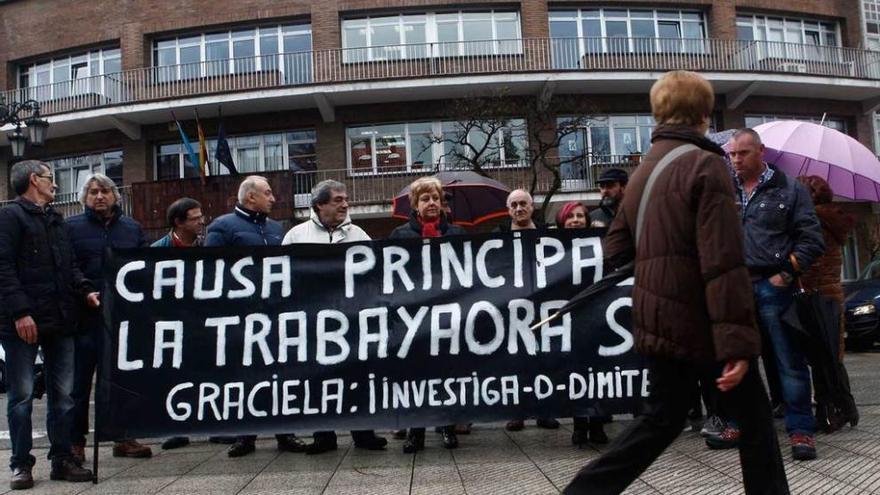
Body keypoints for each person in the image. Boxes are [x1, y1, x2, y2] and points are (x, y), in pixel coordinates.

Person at [563, 71, 789, 495]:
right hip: (701, 319)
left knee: (661, 419)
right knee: (755, 419)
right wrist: (739, 344)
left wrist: (660, 263)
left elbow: (616, 251)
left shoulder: (645, 172)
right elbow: (722, 262)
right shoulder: (706, 165)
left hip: (656, 317)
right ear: (704, 113)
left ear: (660, 111)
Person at [718, 128, 825, 460]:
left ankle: (801, 432)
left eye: (743, 153)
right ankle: (737, 423)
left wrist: (785, 274)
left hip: (773, 286)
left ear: (761, 151)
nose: (736, 160)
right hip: (735, 287)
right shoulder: (723, 190)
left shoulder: (789, 189)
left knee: (787, 361)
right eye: (732, 154)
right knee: (736, 358)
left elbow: (812, 241)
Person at [0, 160, 98, 489]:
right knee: (22, 396)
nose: (54, 185)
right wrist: (20, 313)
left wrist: (85, 291)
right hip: (22, 324)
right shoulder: (9, 217)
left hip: (61, 320)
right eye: (49, 178)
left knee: (64, 396)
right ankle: (21, 464)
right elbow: (3, 270)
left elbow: (69, 267)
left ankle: (62, 460)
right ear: (33, 181)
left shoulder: (56, 220)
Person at [282, 180, 387, 454]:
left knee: (356, 376)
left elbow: (374, 275)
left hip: (352, 322)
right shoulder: (296, 236)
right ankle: (323, 437)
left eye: (345, 199)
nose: (345, 204)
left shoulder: (359, 234)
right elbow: (283, 278)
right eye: (338, 200)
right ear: (320, 205)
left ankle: (364, 435)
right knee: (319, 379)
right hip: (313, 323)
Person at [204, 175, 306, 458]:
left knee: (280, 375)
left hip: (274, 314)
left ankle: (285, 434)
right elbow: (211, 270)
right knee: (244, 376)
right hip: (240, 316)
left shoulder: (276, 228)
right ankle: (244, 437)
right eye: (268, 193)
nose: (273, 198)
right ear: (251, 197)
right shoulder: (222, 227)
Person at [65, 174, 152, 463]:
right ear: (84, 198)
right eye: (92, 192)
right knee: (79, 386)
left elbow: (146, 266)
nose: (99, 196)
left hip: (121, 320)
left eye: (104, 191)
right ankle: (75, 442)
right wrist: (86, 291)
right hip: (84, 319)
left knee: (120, 381)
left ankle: (123, 437)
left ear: (114, 195)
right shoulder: (70, 228)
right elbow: (67, 267)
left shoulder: (132, 228)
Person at [389, 177, 466, 453]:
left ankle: (446, 425)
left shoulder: (457, 233)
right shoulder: (400, 236)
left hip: (448, 317)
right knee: (416, 375)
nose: (431, 203)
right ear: (415, 205)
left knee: (445, 373)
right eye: (425, 199)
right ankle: (415, 431)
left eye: (435, 198)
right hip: (415, 319)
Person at [796, 175, 859, 432]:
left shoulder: (814, 222)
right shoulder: (834, 220)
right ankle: (844, 408)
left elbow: (809, 263)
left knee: (822, 357)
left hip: (816, 295)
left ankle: (831, 411)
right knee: (832, 356)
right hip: (832, 294)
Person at [500, 189, 561, 432]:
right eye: (513, 205)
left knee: (544, 360)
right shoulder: (498, 237)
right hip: (512, 309)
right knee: (516, 363)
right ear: (508, 211)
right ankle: (518, 412)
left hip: (542, 308)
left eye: (523, 203)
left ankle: (544, 411)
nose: (518, 209)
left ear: (532, 206)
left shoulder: (548, 236)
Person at [555, 201, 609, 445]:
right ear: (562, 222)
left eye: (580, 216)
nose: (575, 220)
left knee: (596, 373)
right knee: (575, 373)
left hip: (596, 316)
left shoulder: (601, 243)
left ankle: (596, 424)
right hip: (569, 320)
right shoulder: (552, 248)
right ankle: (579, 424)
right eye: (570, 217)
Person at [155, 198, 204, 451]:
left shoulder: (207, 246)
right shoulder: (157, 250)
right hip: (172, 323)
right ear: (178, 222)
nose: (201, 221)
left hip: (202, 322)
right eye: (195, 218)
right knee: (173, 376)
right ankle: (175, 428)